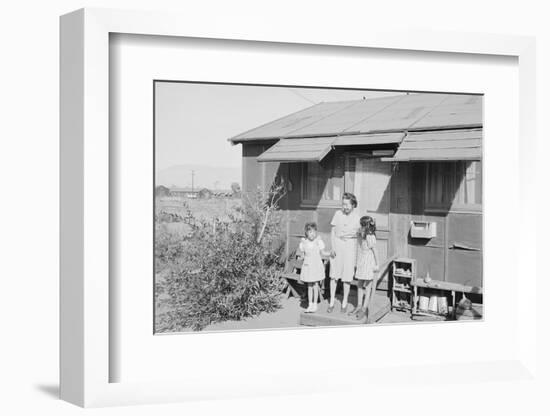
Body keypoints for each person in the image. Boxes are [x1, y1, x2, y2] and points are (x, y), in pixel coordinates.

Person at [328, 192, 361, 313]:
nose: (345, 207)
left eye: (347, 205)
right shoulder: (337, 214)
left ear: (353, 205)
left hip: (350, 246)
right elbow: (332, 231)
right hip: (337, 244)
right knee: (334, 275)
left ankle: (344, 302)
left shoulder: (357, 218)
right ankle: (331, 301)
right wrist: (332, 247)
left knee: (347, 276)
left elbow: (359, 235)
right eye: (343, 204)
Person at [350, 216, 380, 320]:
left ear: (366, 226)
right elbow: (360, 245)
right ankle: (358, 305)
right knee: (359, 284)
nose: (360, 227)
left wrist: (377, 264)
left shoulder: (370, 236)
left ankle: (364, 307)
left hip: (369, 262)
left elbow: (375, 251)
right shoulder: (363, 235)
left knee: (367, 286)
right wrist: (358, 236)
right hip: (362, 260)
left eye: (362, 225)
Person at [297, 222, 330, 313]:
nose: (312, 234)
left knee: (315, 285)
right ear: (306, 233)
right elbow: (303, 255)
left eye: (314, 232)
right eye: (310, 232)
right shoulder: (304, 243)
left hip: (316, 266)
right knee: (309, 286)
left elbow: (323, 253)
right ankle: (310, 304)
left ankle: (315, 304)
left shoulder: (318, 241)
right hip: (308, 266)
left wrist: (330, 254)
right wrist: (300, 258)